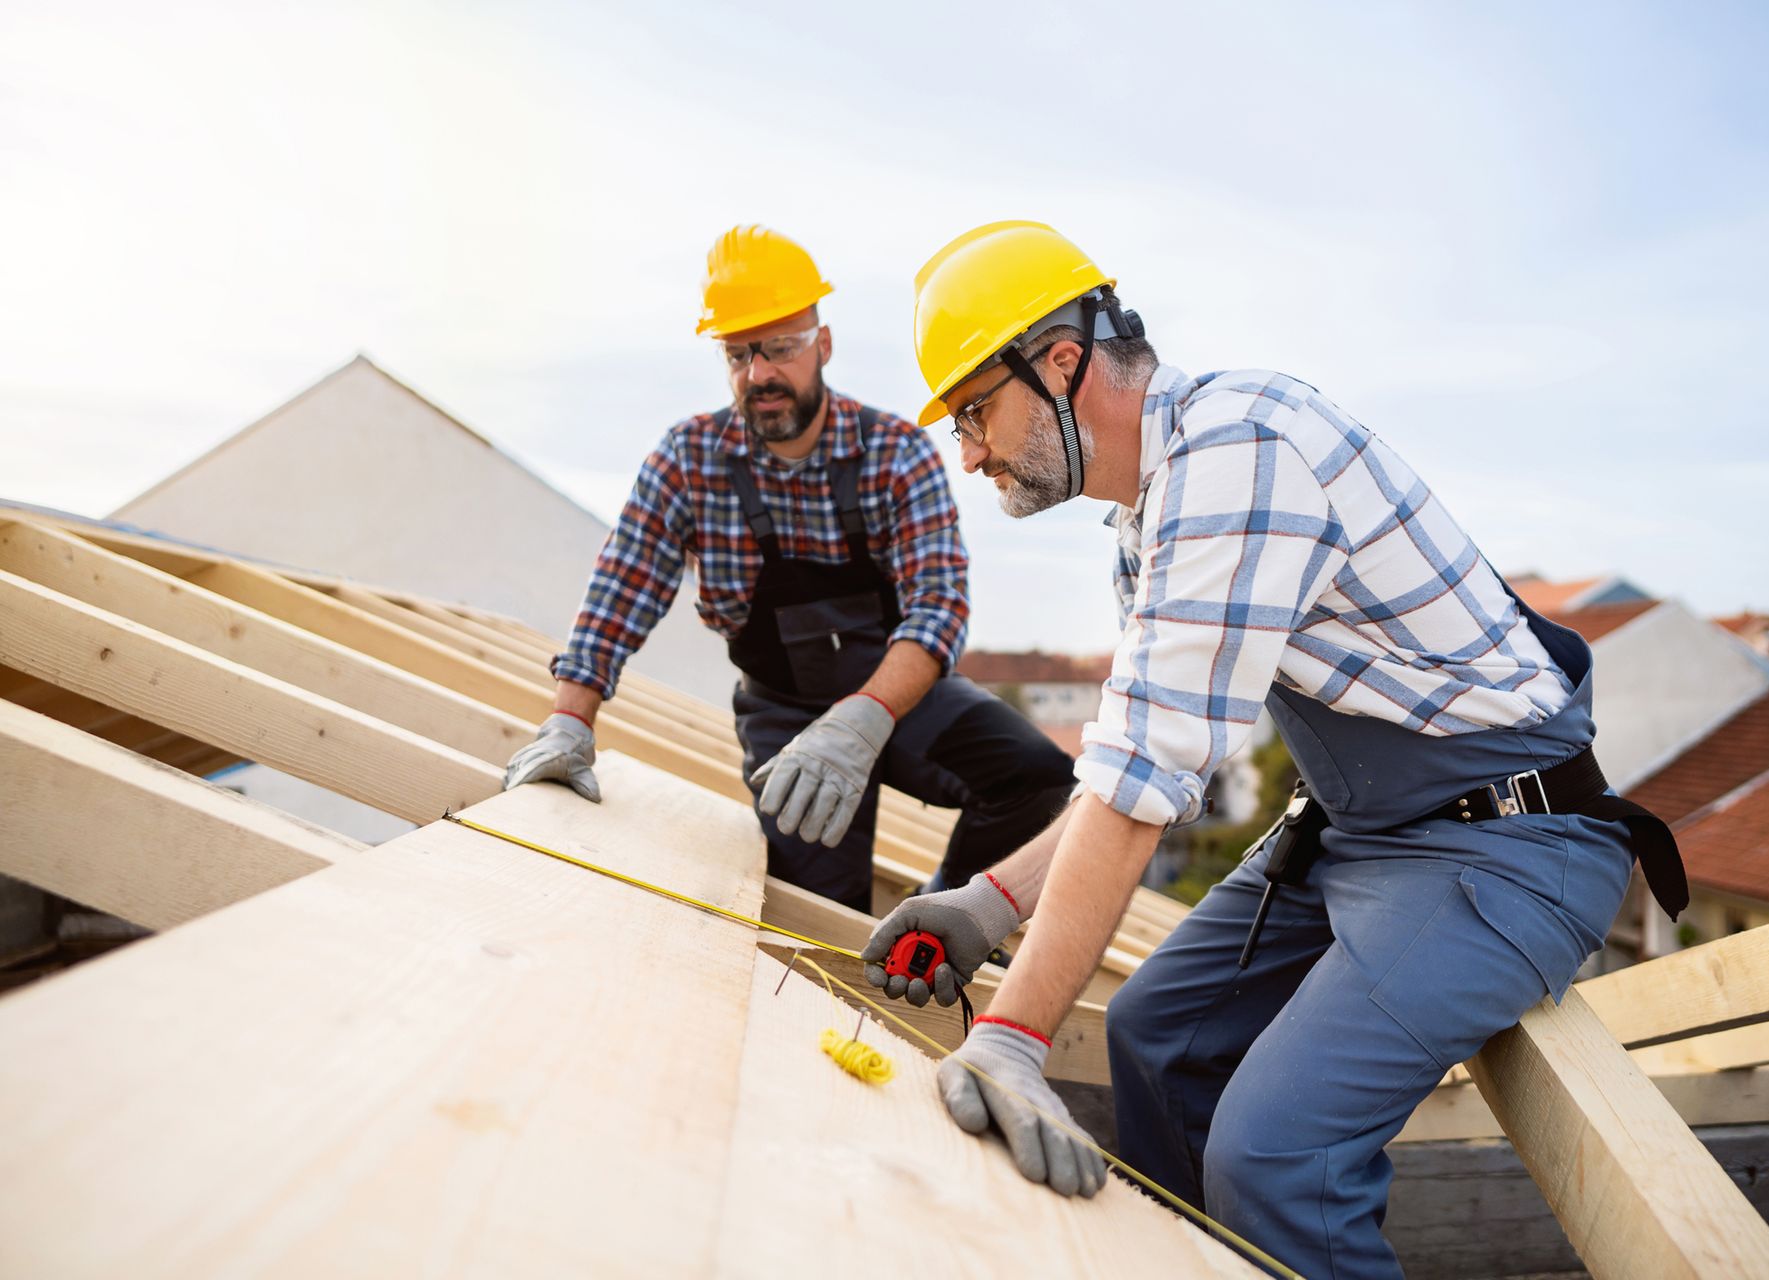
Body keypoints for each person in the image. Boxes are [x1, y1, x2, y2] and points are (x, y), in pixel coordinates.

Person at [861, 221, 1686, 1276]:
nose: (968, 450)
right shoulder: (1152, 508)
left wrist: (1015, 1032)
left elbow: (1141, 784)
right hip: (1367, 831)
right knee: (1156, 1040)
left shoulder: (1240, 453)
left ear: (1062, 362)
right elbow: (1134, 761)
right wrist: (992, 902)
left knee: (1276, 1151)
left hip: (1507, 848)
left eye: (976, 409)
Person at [503, 224, 1076, 912]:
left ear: (822, 345)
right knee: (823, 913)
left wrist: (865, 716)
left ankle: (938, 920)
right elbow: (621, 589)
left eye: (779, 347)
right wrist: (571, 720)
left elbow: (939, 606)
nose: (761, 373)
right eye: (739, 354)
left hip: (897, 697)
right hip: (781, 714)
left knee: (1039, 780)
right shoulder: (690, 461)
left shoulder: (893, 452)